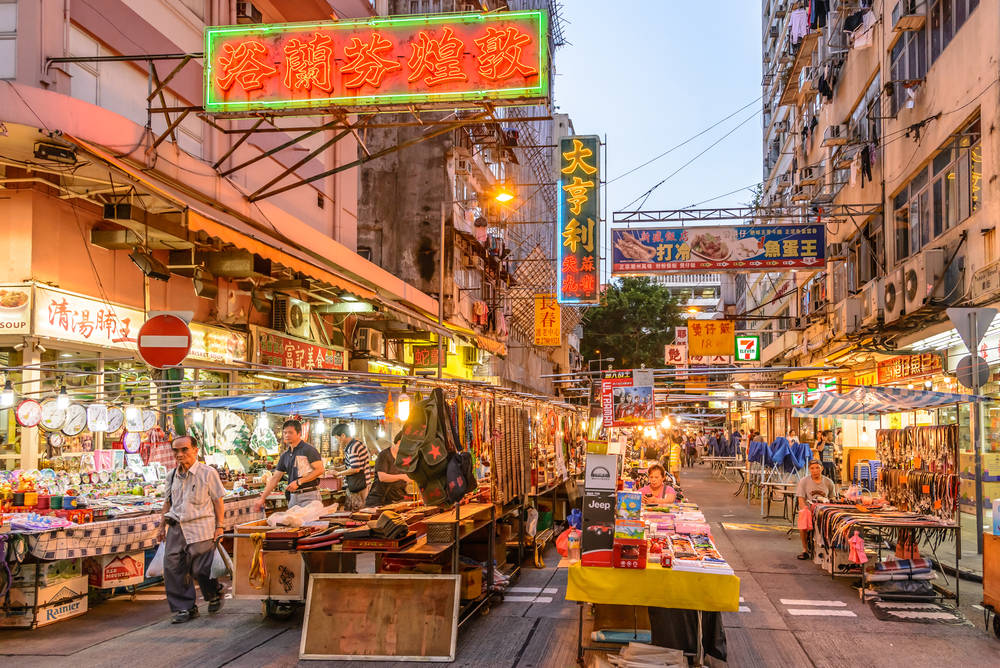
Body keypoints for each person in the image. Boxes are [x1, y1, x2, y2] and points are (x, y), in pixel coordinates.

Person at [157, 435, 227, 624]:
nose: (179, 454)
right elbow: (167, 502)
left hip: (201, 527)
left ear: (195, 450)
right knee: (174, 568)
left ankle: (214, 592)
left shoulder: (207, 473)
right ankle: (184, 608)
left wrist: (219, 526)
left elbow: (218, 500)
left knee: (201, 569)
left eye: (184, 449)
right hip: (176, 527)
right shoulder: (171, 475)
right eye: (176, 451)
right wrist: (161, 526)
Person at [255, 419, 324, 512]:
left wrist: (299, 482)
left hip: (309, 495)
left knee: (310, 525)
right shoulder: (285, 455)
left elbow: (320, 470)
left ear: (299, 433)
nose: (287, 435)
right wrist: (263, 498)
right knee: (292, 525)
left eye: (290, 432)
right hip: (293, 497)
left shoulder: (308, 450)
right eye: (285, 433)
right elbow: (275, 478)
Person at [795, 459, 837, 560]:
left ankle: (829, 548)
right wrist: (805, 510)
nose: (815, 470)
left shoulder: (828, 482)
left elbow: (833, 498)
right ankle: (804, 550)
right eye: (812, 468)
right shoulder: (804, 481)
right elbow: (801, 499)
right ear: (809, 469)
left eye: (817, 468)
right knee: (803, 519)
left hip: (824, 511)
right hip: (809, 510)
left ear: (822, 468)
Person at [334, 423, 372, 511]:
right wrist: (336, 469)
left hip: (360, 486)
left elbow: (355, 468)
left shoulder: (353, 447)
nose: (337, 440)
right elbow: (351, 465)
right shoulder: (355, 444)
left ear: (343, 435)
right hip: (362, 484)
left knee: (360, 512)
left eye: (337, 437)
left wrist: (339, 473)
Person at [365, 433, 410, 507]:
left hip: (398, 499)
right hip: (379, 501)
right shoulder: (384, 455)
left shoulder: (405, 457)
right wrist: (402, 476)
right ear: (399, 442)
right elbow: (382, 477)